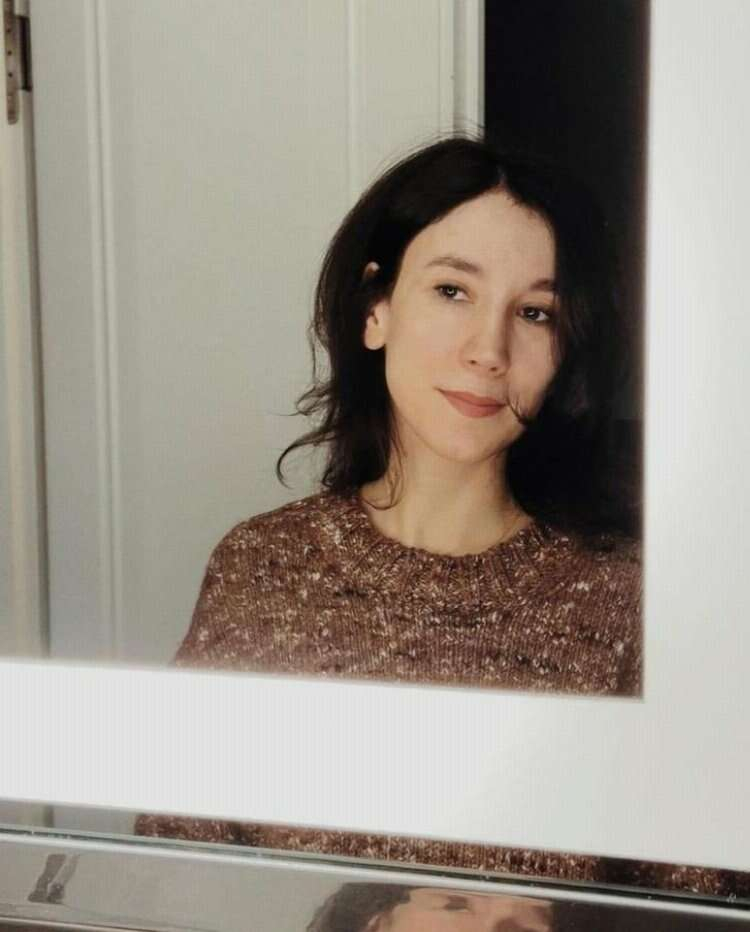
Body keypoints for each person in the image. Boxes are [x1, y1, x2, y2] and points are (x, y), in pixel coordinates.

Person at [135, 133, 656, 887]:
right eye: (452, 291)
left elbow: (697, 900)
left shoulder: (630, 600)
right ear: (375, 310)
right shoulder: (262, 569)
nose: (489, 349)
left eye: (535, 313)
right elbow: (175, 877)